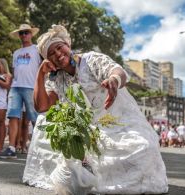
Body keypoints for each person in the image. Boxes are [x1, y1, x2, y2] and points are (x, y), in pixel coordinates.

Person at [23, 25, 168, 194]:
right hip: (85, 130)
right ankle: (84, 168)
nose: (57, 54)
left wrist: (114, 79)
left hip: (116, 122)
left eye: (59, 47)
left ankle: (90, 173)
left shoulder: (91, 60)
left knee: (143, 148)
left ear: (67, 45)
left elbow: (117, 71)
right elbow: (41, 106)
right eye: (51, 54)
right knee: (43, 123)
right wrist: (40, 73)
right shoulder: (55, 79)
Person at [0, 24, 41, 159]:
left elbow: (43, 68)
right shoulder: (16, 53)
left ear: (31, 34)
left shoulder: (37, 49)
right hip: (15, 87)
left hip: (31, 87)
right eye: (21, 33)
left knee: (35, 118)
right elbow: (15, 70)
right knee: (13, 116)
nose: (24, 35)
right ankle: (11, 148)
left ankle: (40, 148)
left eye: (26, 33)